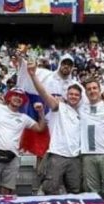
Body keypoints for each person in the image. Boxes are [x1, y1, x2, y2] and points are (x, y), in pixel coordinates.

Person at [0, 86, 45, 195]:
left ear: (23, 101)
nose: (18, 98)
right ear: (9, 97)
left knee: (7, 192)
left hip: (12, 157)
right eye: (15, 95)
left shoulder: (24, 117)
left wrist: (41, 112)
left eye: (21, 97)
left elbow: (40, 128)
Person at [28, 61, 83, 194]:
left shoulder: (83, 112)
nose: (73, 97)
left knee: (75, 190)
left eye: (76, 95)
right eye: (71, 94)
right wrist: (33, 75)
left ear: (81, 97)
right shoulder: (59, 107)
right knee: (50, 189)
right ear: (66, 96)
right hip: (57, 155)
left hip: (75, 157)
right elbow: (43, 93)